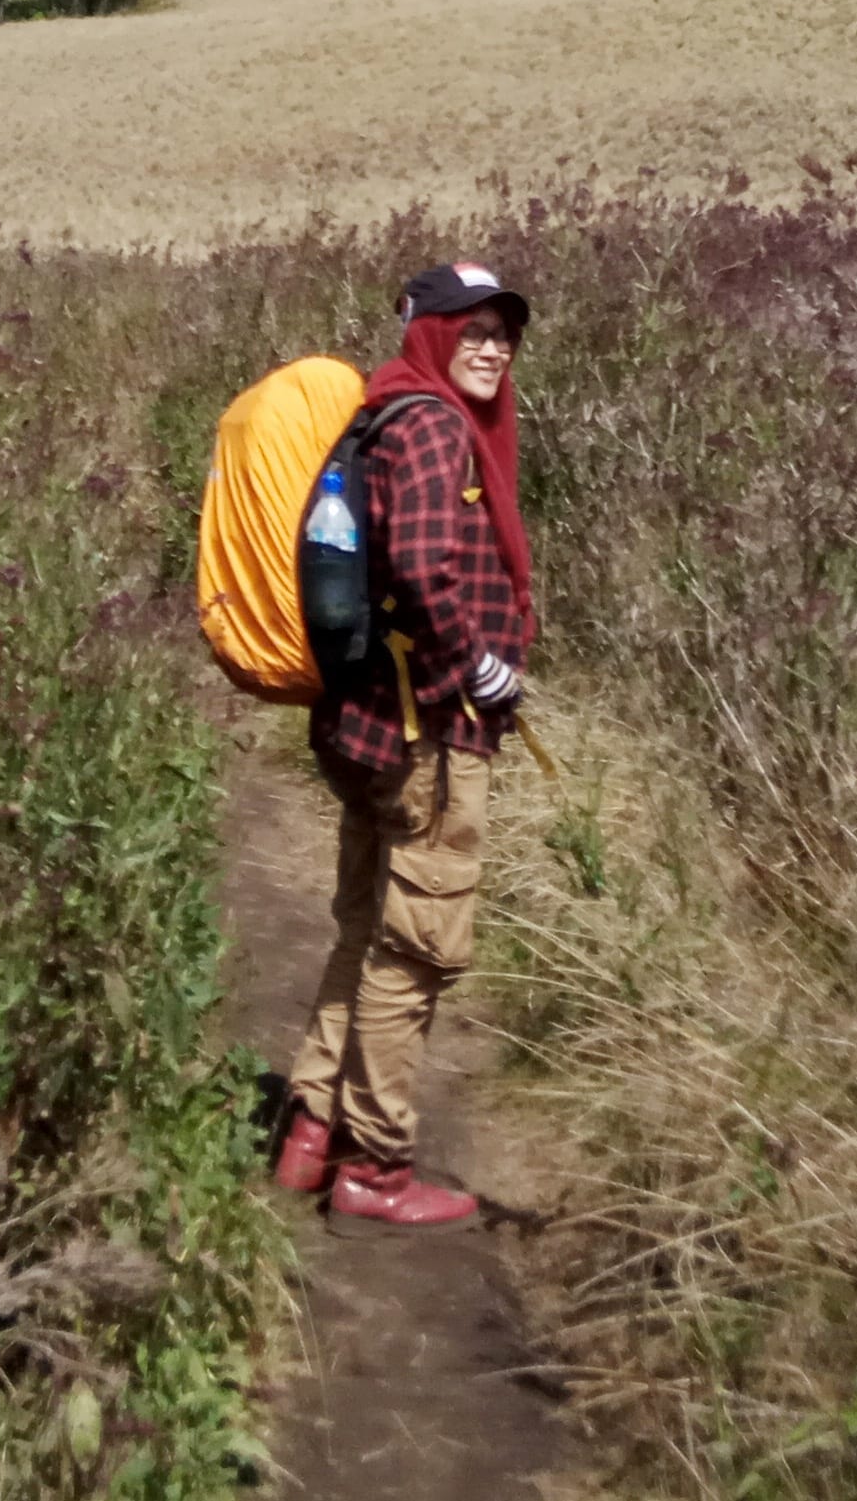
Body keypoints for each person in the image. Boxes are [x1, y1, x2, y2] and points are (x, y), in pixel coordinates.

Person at [272, 259, 537, 1228]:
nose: (491, 346)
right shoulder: (430, 426)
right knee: (414, 950)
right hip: (424, 735)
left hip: (367, 723)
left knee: (362, 928)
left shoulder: (385, 415)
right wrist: (478, 666)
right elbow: (424, 568)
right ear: (427, 331)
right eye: (469, 328)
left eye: (503, 331)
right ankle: (374, 1167)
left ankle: (310, 1130)